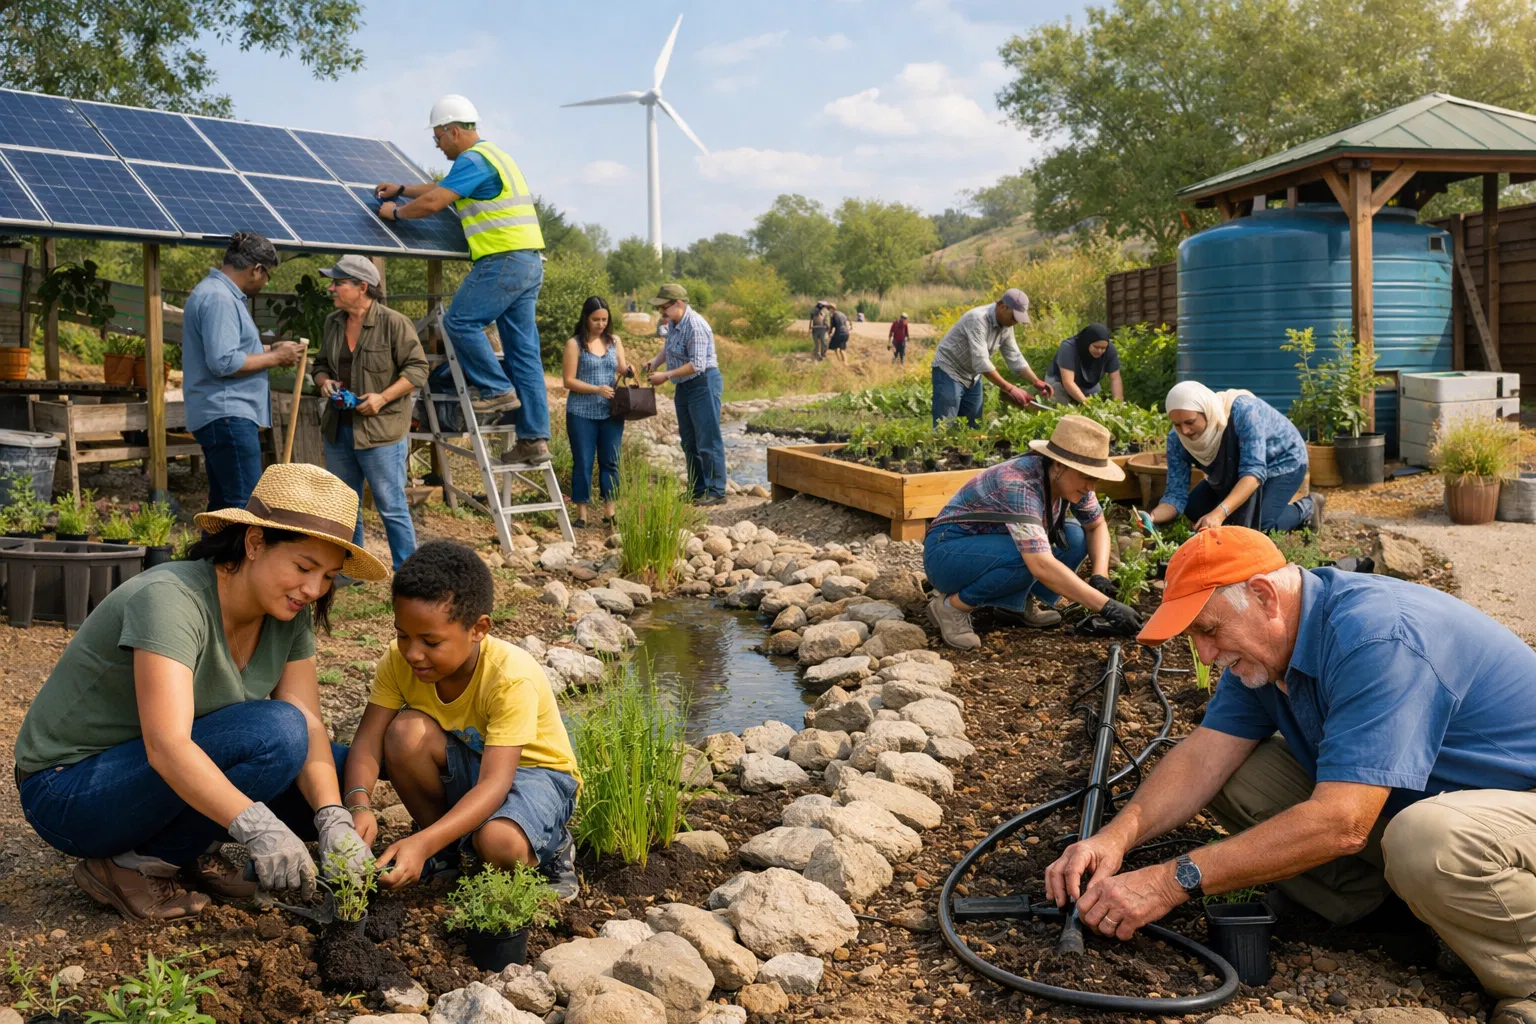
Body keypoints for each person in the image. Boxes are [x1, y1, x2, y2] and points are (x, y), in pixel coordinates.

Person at [1044, 526, 1536, 1024]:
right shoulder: (1270, 645)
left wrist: (1173, 881)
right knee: (1241, 776)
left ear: (1262, 595)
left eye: (1209, 630)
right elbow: (1205, 757)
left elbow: (1343, 822)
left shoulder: (1379, 637)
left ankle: (1527, 977)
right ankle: (1398, 916)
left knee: (1429, 838)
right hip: (1446, 800)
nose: (1207, 655)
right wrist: (1114, 839)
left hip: (1519, 806)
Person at [13, 463, 385, 921]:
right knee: (276, 733)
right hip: (72, 789)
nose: (313, 589)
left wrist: (333, 818)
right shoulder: (171, 599)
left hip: (150, 777)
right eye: (304, 567)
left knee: (342, 772)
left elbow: (310, 724)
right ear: (253, 543)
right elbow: (167, 746)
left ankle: (186, 850)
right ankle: (133, 866)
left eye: (328, 576)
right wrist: (258, 827)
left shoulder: (289, 613)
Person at [342, 541, 582, 899]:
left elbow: (496, 783)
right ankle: (449, 851)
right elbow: (367, 741)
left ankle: (552, 848)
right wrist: (358, 804)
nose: (413, 653)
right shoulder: (399, 661)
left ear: (479, 629)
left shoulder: (509, 676)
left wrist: (419, 843)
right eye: (402, 634)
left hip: (537, 775)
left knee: (498, 842)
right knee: (404, 734)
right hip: (477, 765)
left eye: (431, 641)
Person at [372, 94, 551, 464]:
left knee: (459, 322)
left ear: (453, 130)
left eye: (437, 138)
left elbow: (436, 202)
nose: (437, 146)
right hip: (529, 261)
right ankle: (535, 439)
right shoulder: (493, 156)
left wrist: (396, 212)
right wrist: (404, 188)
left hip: (501, 259)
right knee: (524, 354)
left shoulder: (473, 159)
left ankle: (495, 388)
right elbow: (443, 189)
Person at [923, 416, 1143, 649]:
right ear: (1058, 465)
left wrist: (1100, 576)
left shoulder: (1073, 480)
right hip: (947, 554)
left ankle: (1012, 605)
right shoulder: (1019, 482)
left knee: (1075, 537)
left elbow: (1096, 526)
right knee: (1025, 556)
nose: (1091, 487)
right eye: (1087, 477)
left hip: (992, 548)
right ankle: (952, 607)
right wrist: (1105, 606)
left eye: (1095, 479)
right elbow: (1040, 563)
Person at [311, 255, 429, 571]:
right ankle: (352, 570)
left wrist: (382, 398)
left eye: (338, 282)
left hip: (381, 432)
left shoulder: (394, 322)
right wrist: (324, 382)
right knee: (346, 505)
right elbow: (319, 365)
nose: (332, 288)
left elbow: (418, 369)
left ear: (362, 287)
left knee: (391, 506)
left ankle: (408, 573)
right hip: (339, 429)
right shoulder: (333, 322)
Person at [182, 233, 304, 515]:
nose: (264, 283)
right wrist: (275, 357)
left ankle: (211, 559)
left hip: (220, 414)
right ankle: (238, 560)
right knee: (245, 508)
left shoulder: (215, 293)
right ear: (256, 269)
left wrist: (272, 348)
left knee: (222, 508)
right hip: (228, 415)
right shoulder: (220, 299)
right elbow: (223, 362)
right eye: (267, 276)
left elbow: (230, 348)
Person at [1148, 381, 1321, 534]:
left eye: (1190, 422)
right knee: (1194, 509)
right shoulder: (1177, 439)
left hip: (1281, 461)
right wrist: (1152, 517)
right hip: (1235, 467)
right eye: (1177, 424)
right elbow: (1175, 495)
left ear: (1206, 412)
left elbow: (1253, 472)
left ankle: (1307, 508)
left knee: (1256, 527)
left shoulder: (1243, 412)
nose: (1184, 431)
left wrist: (1220, 512)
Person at [644, 283, 726, 506]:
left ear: (678, 303)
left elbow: (697, 364)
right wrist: (655, 362)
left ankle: (716, 490)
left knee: (707, 438)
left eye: (664, 306)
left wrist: (666, 375)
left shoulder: (696, 325)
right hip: (684, 385)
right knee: (689, 441)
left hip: (703, 383)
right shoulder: (673, 323)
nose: (662, 311)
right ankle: (698, 488)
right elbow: (669, 348)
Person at [930, 288, 1053, 426]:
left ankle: (965, 447)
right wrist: (1010, 389)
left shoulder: (1006, 326)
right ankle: (942, 446)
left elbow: (1015, 356)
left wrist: (1036, 381)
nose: (1015, 322)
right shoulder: (977, 319)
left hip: (972, 375)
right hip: (950, 370)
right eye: (1014, 317)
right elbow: (981, 362)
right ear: (1002, 306)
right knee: (945, 426)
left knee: (973, 425)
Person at [562, 297, 633, 529]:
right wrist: (596, 389)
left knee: (610, 461)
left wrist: (628, 370)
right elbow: (568, 381)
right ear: (586, 318)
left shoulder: (614, 341)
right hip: (581, 412)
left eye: (604, 319)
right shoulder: (574, 344)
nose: (601, 324)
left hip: (611, 412)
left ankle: (609, 512)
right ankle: (581, 513)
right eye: (596, 320)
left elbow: (620, 367)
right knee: (583, 461)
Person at [1046, 323, 1123, 404]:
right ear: (1087, 342)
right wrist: (1087, 403)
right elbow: (1068, 382)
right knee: (1062, 407)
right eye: (1096, 347)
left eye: (1103, 348)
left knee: (1097, 404)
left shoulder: (1110, 349)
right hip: (1059, 382)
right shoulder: (1068, 348)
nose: (1100, 351)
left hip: (1088, 383)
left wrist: (1118, 403)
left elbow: (1115, 378)